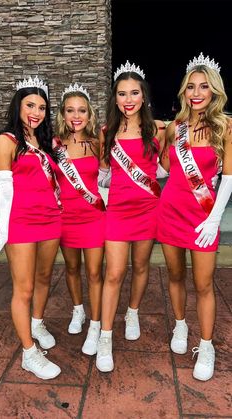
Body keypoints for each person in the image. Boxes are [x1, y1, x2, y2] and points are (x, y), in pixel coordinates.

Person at [157, 52, 232, 381]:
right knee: (175, 276)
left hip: (204, 216)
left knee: (203, 284)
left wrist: (215, 218)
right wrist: (156, 136)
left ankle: (206, 344)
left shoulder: (226, 126)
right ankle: (181, 325)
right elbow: (165, 169)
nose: (197, 93)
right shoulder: (176, 127)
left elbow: (228, 178)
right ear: (184, 92)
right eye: (191, 87)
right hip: (170, 210)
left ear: (214, 91)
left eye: (203, 87)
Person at [95, 60, 166, 372]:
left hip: (148, 210)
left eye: (133, 92)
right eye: (121, 94)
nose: (128, 99)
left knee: (140, 266)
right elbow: (104, 175)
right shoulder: (106, 132)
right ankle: (106, 337)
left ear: (143, 95)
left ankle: (133, 311)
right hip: (118, 212)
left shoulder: (159, 129)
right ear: (115, 98)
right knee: (114, 273)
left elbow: (164, 169)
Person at [0, 76, 62, 380]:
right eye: (30, 105)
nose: (36, 112)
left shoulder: (46, 141)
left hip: (51, 218)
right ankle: (28, 352)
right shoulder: (6, 141)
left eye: (41, 107)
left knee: (45, 277)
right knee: (23, 288)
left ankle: (37, 322)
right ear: (18, 105)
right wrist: (2, 230)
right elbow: (2, 190)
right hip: (20, 222)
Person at [53, 84, 105, 356]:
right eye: (70, 110)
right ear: (63, 113)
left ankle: (96, 324)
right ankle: (78, 311)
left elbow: (110, 175)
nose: (76, 116)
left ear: (89, 113)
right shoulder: (54, 145)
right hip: (66, 218)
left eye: (81, 110)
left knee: (95, 273)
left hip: (93, 216)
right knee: (72, 269)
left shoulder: (98, 142)